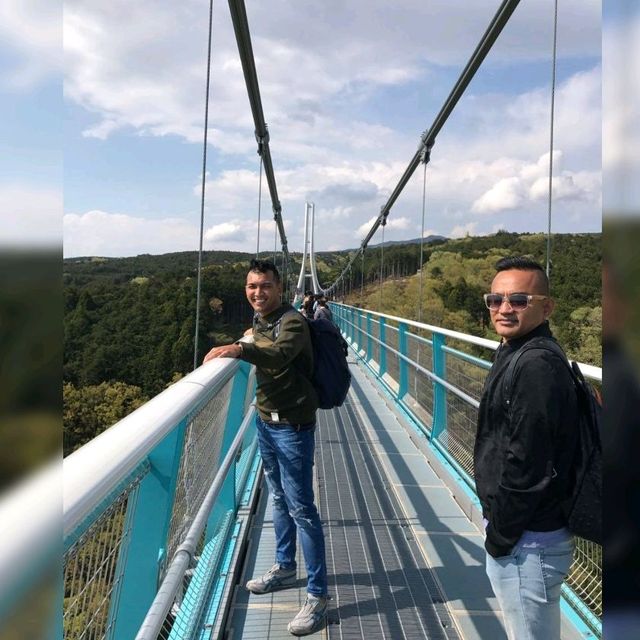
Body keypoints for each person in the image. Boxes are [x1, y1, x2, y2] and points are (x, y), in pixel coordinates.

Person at [203, 259, 328, 636]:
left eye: (265, 286)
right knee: (277, 499)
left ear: (279, 287)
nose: (257, 293)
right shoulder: (261, 321)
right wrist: (248, 338)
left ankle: (318, 596)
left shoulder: (292, 321)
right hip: (265, 420)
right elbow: (262, 343)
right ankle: (285, 566)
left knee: (302, 508)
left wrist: (239, 348)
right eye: (251, 286)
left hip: (292, 427)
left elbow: (276, 355)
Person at [473, 256, 579, 640]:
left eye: (519, 300)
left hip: (527, 542)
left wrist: (500, 536)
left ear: (546, 307)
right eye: (495, 299)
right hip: (528, 538)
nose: (503, 308)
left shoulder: (535, 365)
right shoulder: (516, 349)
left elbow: (528, 464)